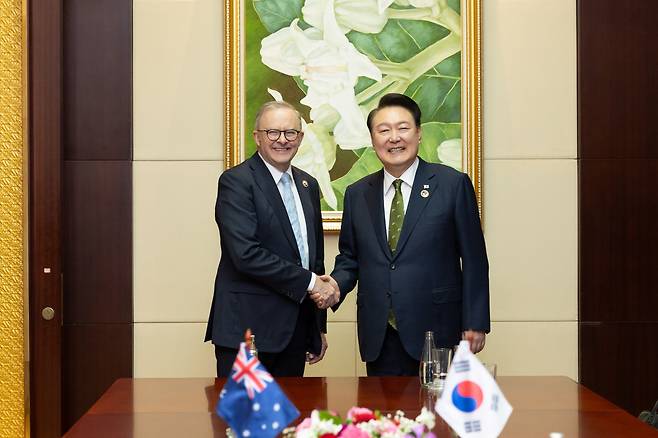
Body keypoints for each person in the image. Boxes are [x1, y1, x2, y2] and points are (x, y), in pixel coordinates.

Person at [326, 93, 490, 376]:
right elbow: (350, 258)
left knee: (435, 416)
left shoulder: (452, 185)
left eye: (402, 128)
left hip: (436, 329)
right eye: (384, 130)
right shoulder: (357, 194)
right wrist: (334, 287)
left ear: (419, 133)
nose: (394, 138)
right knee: (383, 419)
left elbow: (474, 259)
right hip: (380, 332)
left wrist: (475, 321)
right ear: (372, 138)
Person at [205, 101, 338, 377]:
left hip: (294, 334)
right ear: (257, 136)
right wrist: (313, 283)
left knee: (292, 418)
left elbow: (313, 260)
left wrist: (317, 327)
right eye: (272, 132)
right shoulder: (237, 182)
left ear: (300, 138)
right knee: (244, 420)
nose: (282, 140)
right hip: (247, 332)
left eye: (290, 133)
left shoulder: (308, 185)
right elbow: (246, 255)